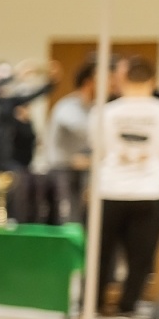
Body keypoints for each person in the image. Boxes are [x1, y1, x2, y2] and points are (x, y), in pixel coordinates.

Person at [94, 57, 159, 316]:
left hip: (110, 188)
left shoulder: (105, 112)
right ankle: (127, 308)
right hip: (148, 189)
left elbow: (98, 148)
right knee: (140, 256)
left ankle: (94, 306)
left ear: (123, 79)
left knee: (102, 253)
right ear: (153, 81)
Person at [0, 61, 55, 215]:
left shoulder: (8, 102)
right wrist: (15, 75)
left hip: (0, 164)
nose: (4, 79)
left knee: (1, 209)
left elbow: (33, 96)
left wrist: (52, 82)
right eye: (0, 74)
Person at [48, 60, 96, 224]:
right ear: (89, 82)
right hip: (62, 171)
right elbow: (87, 133)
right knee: (68, 220)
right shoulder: (68, 106)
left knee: (86, 221)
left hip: (84, 173)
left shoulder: (94, 107)